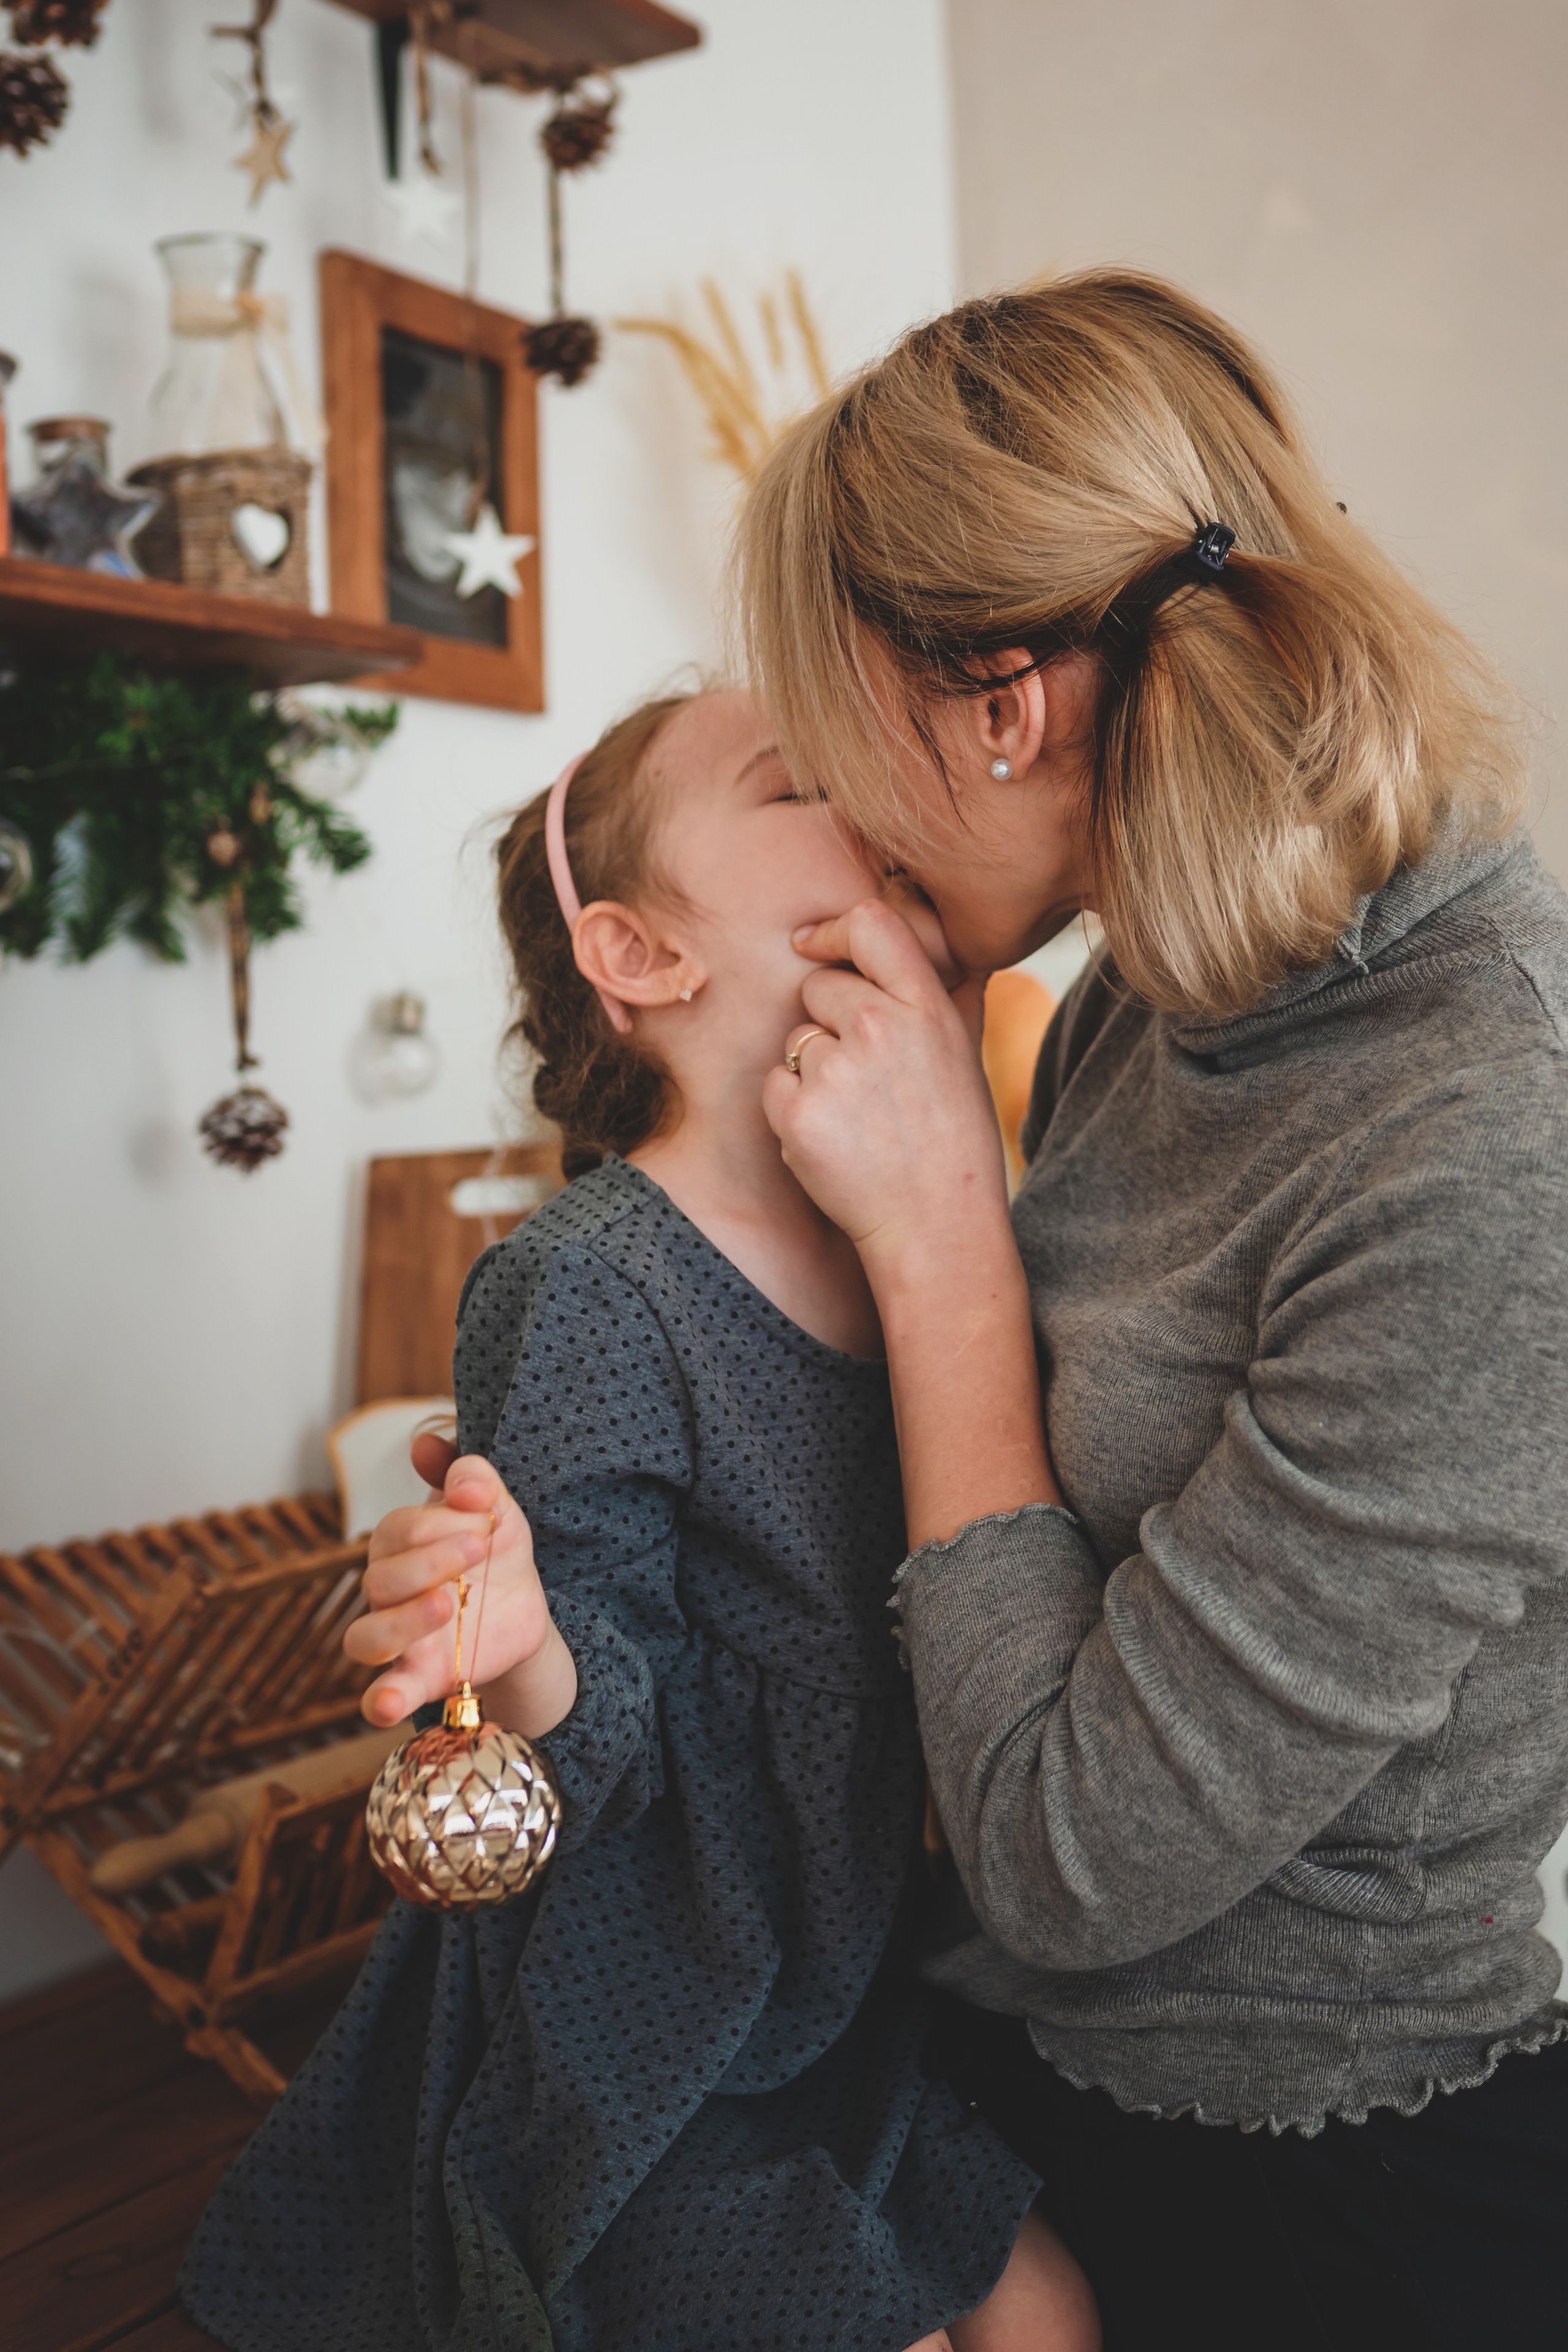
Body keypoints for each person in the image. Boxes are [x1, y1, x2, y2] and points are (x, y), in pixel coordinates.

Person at [721, 270, 1568, 2349]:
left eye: (831, 732)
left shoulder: (1487, 1125)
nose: (836, 810)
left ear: (1000, 707)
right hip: (1018, 2083)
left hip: (1316, 2189)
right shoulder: (1154, 985)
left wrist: (941, 1231)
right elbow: (1019, 1500)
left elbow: (1072, 1856)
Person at [178, 687, 1097, 2352]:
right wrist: (522, 1638)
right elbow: (577, 1728)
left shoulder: (921, 1236)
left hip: (863, 1975)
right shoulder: (594, 1283)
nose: (873, 795)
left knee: (1043, 2304)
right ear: (640, 953)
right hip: (657, 1995)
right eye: (801, 782)